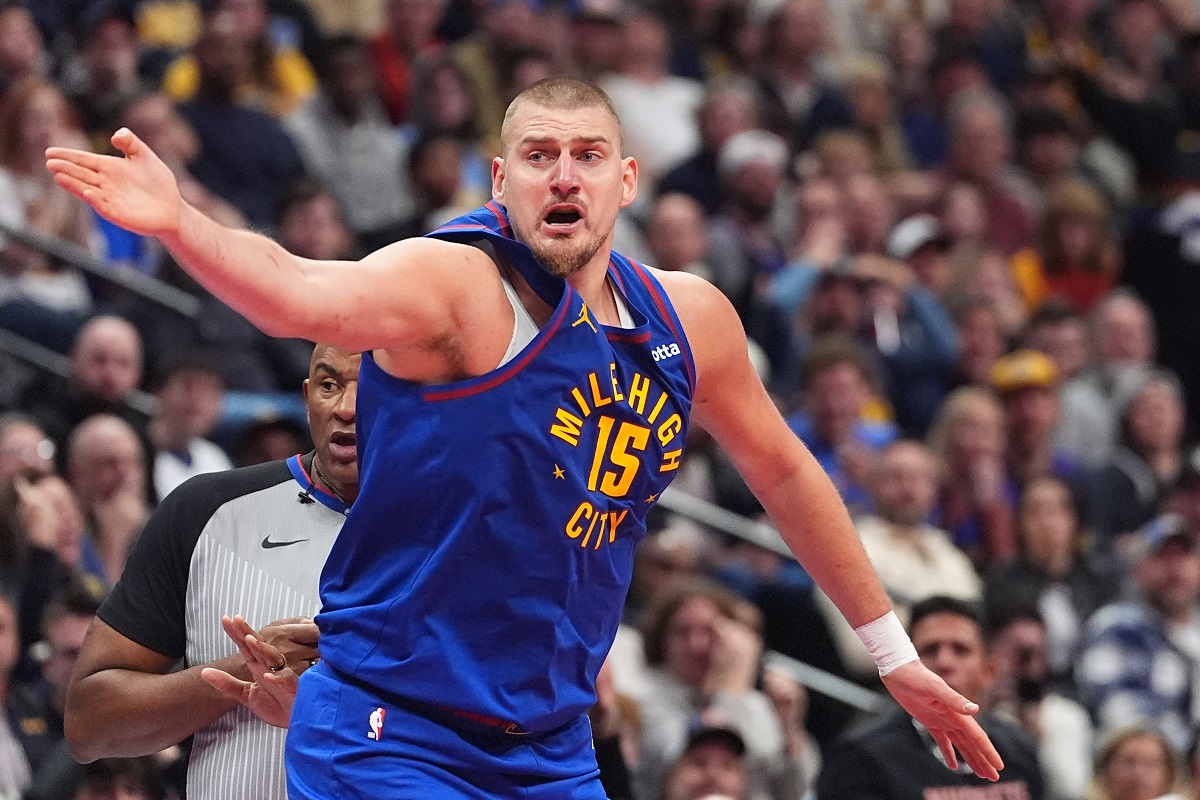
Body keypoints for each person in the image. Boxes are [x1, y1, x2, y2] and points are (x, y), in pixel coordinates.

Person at [47, 76, 1002, 799]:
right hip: (392, 730)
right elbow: (299, 288)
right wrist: (180, 225)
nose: (563, 174)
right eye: (539, 155)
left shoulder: (690, 320)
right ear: (500, 181)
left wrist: (893, 653)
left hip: (552, 747)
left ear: (625, 181)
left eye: (587, 154)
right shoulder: (460, 286)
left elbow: (785, 470)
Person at [63, 345, 361, 800]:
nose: (345, 408)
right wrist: (245, 670)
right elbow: (90, 724)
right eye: (328, 385)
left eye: (371, 386)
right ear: (306, 397)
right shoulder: (204, 511)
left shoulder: (471, 529)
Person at [815, 596, 1044, 800]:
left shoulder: (1020, 749)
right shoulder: (862, 756)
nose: (944, 662)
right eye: (929, 650)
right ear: (904, 670)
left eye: (960, 649)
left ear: (989, 672)